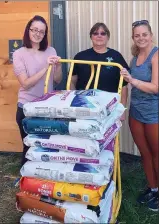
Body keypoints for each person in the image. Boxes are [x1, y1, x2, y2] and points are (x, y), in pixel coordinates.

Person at [13, 15, 62, 166]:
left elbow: (57, 80)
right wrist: (46, 67)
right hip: (27, 107)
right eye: (34, 30)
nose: (37, 34)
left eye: (41, 31)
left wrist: (58, 66)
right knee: (29, 146)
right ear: (28, 30)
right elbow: (26, 84)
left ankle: (43, 181)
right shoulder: (18, 54)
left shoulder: (51, 50)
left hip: (47, 107)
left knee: (46, 145)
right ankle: (25, 179)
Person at [120, 20, 158, 211]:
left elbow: (155, 87)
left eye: (144, 34)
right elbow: (129, 83)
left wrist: (132, 80)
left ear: (151, 35)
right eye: (137, 35)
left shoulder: (156, 55)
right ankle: (153, 188)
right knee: (145, 154)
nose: (141, 38)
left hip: (153, 115)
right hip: (136, 112)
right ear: (133, 38)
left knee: (157, 154)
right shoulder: (135, 56)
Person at [70, 22, 129, 120]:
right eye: (95, 33)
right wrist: (72, 103)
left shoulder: (116, 57)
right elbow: (72, 81)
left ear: (108, 37)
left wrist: (121, 110)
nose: (99, 36)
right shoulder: (80, 56)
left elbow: (124, 86)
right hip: (84, 106)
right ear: (91, 36)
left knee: (108, 135)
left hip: (109, 107)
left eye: (103, 33)